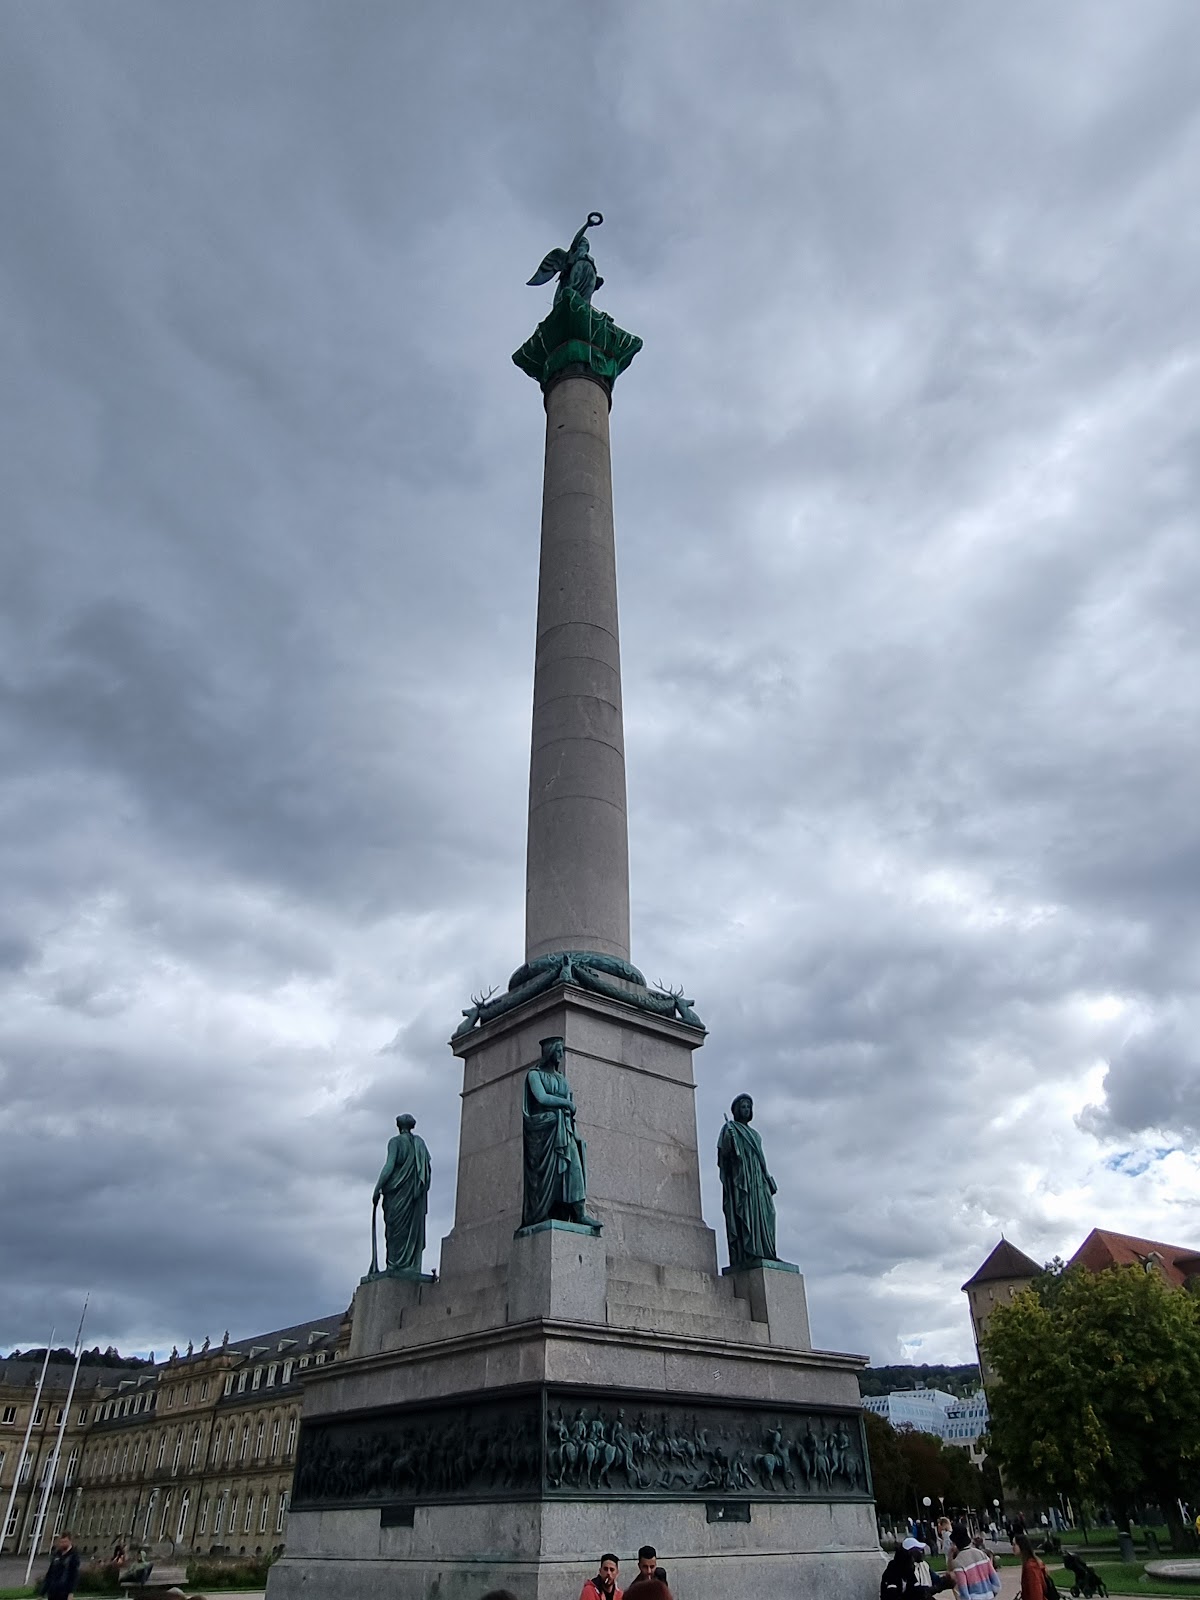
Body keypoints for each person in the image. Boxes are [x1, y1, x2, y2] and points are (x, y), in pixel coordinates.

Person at [948, 1523, 1001, 1600]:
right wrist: (992, 1592)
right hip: (989, 1595)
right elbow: (995, 1580)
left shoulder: (958, 1562)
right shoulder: (981, 1554)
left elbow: (963, 1589)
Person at [39, 1532, 81, 1600]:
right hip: (52, 1591)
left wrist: (71, 1592)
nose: (62, 1544)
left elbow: (74, 1575)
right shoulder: (57, 1555)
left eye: (65, 1542)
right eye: (61, 1542)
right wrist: (43, 1592)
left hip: (64, 1592)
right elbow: (50, 1573)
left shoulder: (74, 1556)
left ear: (70, 1541)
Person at [1013, 1534, 1050, 1600]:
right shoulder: (1030, 1563)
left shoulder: (1030, 1567)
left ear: (1021, 1545)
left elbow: (1036, 1592)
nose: (1012, 1547)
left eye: (1014, 1544)